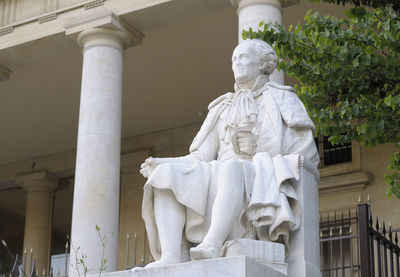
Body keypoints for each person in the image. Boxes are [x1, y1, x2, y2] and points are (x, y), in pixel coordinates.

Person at [139, 39, 319, 268]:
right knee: (164, 175)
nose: (236, 63)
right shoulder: (221, 107)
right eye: (233, 59)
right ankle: (171, 257)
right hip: (217, 171)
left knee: (234, 168)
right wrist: (163, 162)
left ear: (262, 62)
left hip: (258, 171)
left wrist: (257, 147)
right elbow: (199, 157)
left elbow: (306, 153)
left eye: (243, 57)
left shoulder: (283, 98)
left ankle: (212, 243)